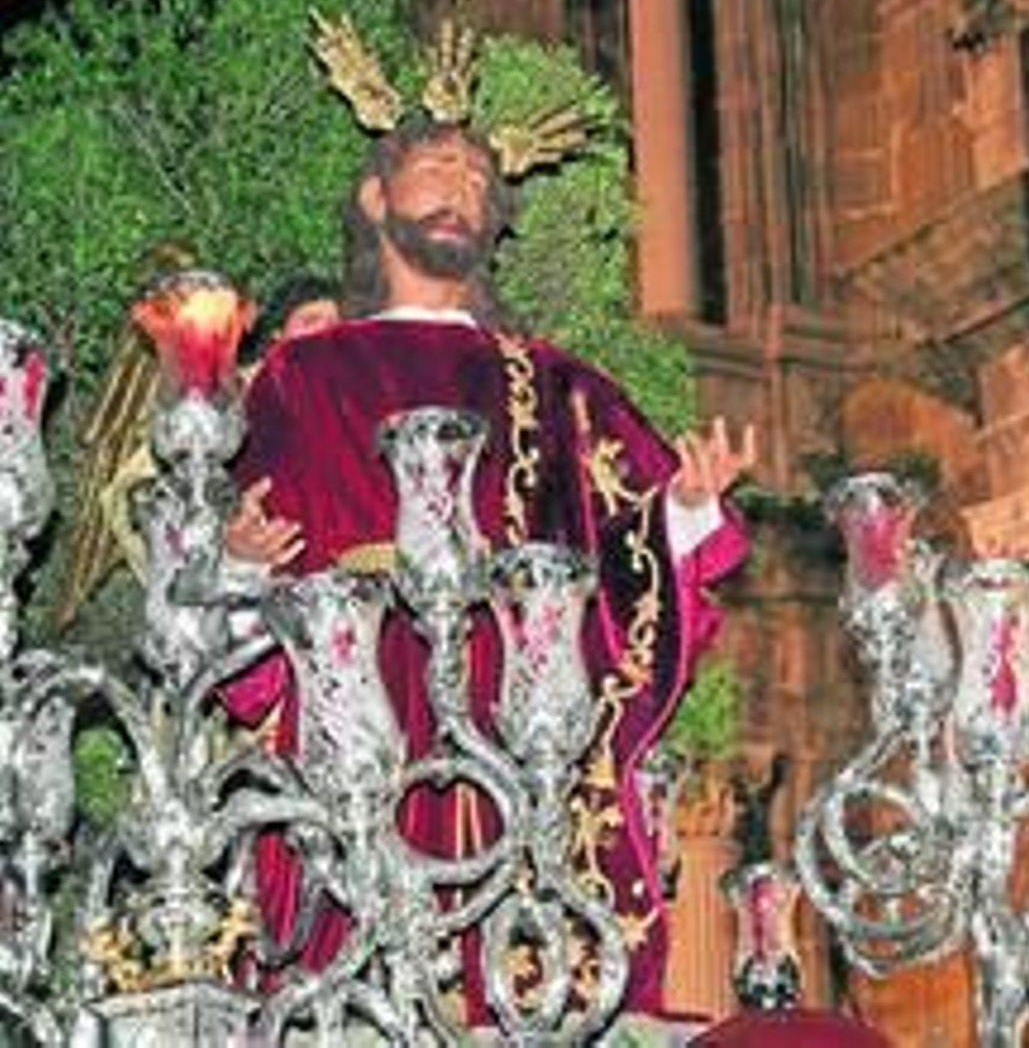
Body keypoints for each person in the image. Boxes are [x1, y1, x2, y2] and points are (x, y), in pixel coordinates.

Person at [221, 112, 755, 1027]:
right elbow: (255, 556)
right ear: (376, 196)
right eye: (435, 168)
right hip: (363, 701)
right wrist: (239, 566)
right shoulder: (302, 375)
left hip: (518, 699)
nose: (460, 191)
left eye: (477, 179)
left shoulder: (550, 380)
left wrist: (688, 509)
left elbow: (620, 536)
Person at [98, 269, 341, 584]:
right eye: (310, 321)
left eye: (340, 325)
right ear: (277, 335)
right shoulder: (223, 400)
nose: (328, 334)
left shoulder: (363, 408)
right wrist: (228, 542)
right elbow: (135, 496)